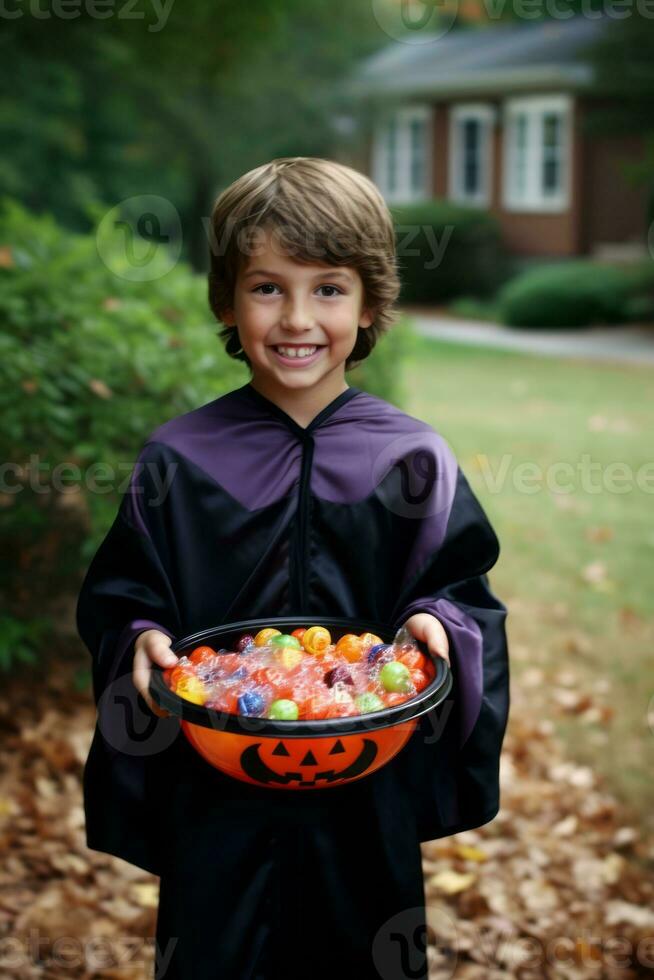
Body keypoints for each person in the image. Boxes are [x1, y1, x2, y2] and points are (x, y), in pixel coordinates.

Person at [76, 156, 510, 980]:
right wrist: (136, 636)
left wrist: (439, 624)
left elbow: (462, 595)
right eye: (267, 287)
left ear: (372, 301)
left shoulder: (411, 458)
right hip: (218, 788)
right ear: (228, 304)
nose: (296, 317)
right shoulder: (182, 457)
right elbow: (124, 595)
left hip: (361, 789)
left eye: (330, 288)